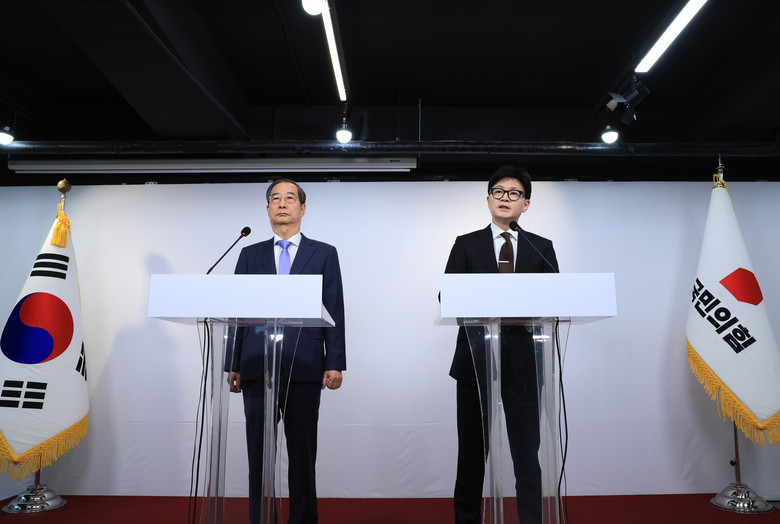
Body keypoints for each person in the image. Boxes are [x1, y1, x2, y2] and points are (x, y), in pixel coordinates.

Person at [226, 179, 346, 524]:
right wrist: (232, 361)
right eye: (275, 198)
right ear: (267, 209)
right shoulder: (249, 254)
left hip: (305, 364)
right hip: (256, 364)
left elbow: (334, 307)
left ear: (302, 209)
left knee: (303, 455)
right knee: (259, 456)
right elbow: (236, 310)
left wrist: (335, 361)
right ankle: (261, 518)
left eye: (290, 198)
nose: (282, 203)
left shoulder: (324, 253)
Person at [444, 165, 559, 524]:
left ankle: (531, 519)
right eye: (498, 191)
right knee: (471, 453)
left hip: (525, 363)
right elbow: (448, 295)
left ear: (526, 204)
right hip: (475, 361)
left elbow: (556, 297)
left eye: (514, 193)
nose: (505, 198)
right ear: (488, 199)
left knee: (526, 453)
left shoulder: (541, 247)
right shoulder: (466, 244)